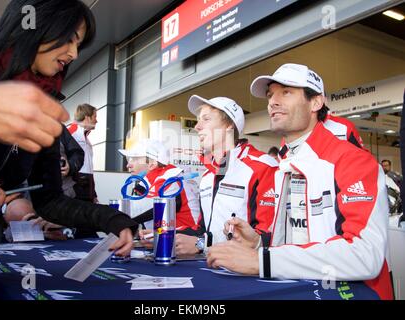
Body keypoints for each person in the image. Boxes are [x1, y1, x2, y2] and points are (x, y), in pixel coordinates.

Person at [0, 0, 136, 299]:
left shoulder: (44, 104)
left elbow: (50, 199)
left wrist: (112, 220)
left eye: (79, 44)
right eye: (68, 39)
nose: (74, 53)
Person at [207, 63, 393, 300]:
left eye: (285, 92)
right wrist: (258, 243)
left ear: (316, 103)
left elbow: (365, 256)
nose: (272, 101)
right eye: (270, 94)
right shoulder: (284, 164)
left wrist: (262, 260)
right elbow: (300, 240)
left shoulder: (352, 161)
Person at [172, 95, 278, 256]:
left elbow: (268, 237)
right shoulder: (208, 176)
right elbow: (202, 230)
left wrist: (202, 244)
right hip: (212, 267)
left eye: (206, 119)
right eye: (198, 120)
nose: (197, 127)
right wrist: (165, 235)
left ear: (229, 125)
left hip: (249, 275)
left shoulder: (262, 166)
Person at [118, 139, 201, 232]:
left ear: (151, 164)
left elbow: (134, 213)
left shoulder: (170, 180)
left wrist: (103, 215)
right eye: (129, 159)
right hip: (168, 236)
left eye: (134, 159)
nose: (128, 165)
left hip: (187, 238)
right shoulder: (148, 181)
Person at [68, 104, 98, 203]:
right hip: (75, 188)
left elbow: (89, 167)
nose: (96, 120)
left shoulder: (86, 138)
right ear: (87, 118)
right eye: (95, 117)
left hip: (87, 187)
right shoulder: (71, 134)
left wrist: (93, 194)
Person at [60, 125, 84, 198]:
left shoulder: (59, 128)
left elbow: (77, 153)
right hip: (30, 194)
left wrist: (70, 166)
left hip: (64, 191)